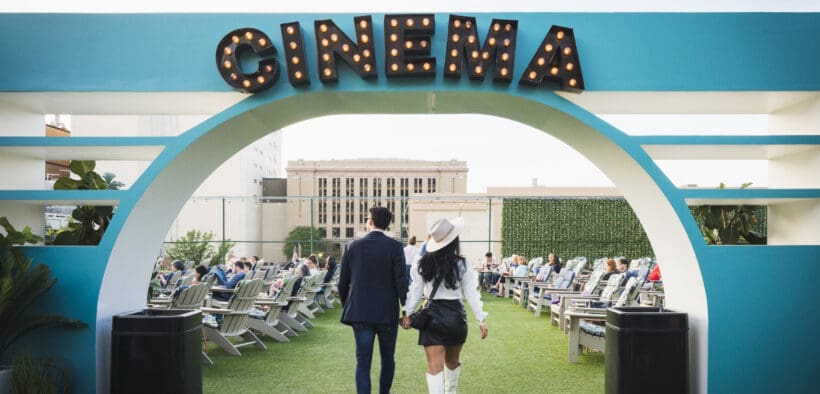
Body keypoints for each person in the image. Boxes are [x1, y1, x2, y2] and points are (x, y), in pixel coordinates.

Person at [401, 217, 488, 394]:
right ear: (454, 240)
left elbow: (416, 290)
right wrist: (481, 319)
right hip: (456, 317)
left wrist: (407, 312)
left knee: (434, 366)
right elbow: (471, 292)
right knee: (452, 362)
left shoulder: (421, 262)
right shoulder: (462, 264)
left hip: (431, 316)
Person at [338, 206, 408, 394]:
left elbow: (342, 284)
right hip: (387, 313)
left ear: (370, 221)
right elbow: (401, 282)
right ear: (387, 224)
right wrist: (406, 311)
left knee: (363, 362)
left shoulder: (352, 246)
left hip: (360, 313)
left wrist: (348, 307)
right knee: (388, 358)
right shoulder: (395, 247)